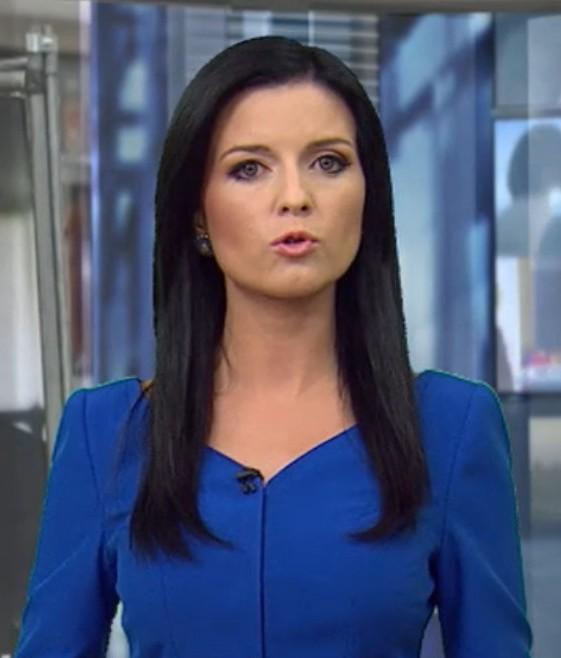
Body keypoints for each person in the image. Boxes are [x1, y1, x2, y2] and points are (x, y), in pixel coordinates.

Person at [14, 35, 532, 657]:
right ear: (198, 214)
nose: (295, 197)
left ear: (368, 196)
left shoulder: (452, 428)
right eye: (249, 169)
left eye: (329, 162)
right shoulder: (107, 434)